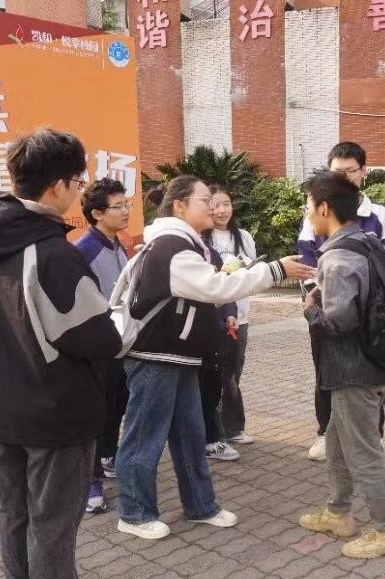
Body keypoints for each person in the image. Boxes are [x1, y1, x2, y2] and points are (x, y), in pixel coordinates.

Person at [0, 127, 121, 579]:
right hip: (53, 408)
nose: (78, 190)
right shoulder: (53, 254)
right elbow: (97, 338)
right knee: (53, 514)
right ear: (57, 186)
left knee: (14, 509)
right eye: (77, 181)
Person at [114, 175, 313, 540]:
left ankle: (201, 506)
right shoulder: (172, 248)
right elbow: (218, 288)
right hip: (156, 357)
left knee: (190, 436)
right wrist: (275, 270)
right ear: (180, 206)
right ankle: (135, 513)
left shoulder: (182, 244)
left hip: (179, 355)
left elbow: (210, 289)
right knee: (144, 437)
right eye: (205, 200)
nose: (213, 206)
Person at [297, 172, 385, 559]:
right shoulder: (369, 242)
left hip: (353, 370)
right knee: (337, 441)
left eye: (308, 207)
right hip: (376, 362)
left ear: (325, 208)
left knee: (363, 451)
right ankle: (338, 512)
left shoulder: (338, 257)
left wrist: (311, 309)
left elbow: (339, 322)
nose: (307, 214)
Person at [297, 142, 385, 462]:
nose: (343, 177)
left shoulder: (379, 216)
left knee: (367, 375)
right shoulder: (315, 214)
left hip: (369, 315)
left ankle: (372, 436)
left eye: (349, 171)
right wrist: (320, 297)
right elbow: (306, 261)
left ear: (363, 172)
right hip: (326, 308)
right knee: (326, 372)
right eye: (336, 172)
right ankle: (327, 433)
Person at [74, 177, 132, 513]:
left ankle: (108, 457)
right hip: (98, 346)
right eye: (118, 206)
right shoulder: (84, 250)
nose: (125, 211)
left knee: (116, 406)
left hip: (120, 343)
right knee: (96, 413)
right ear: (97, 213)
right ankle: (90, 481)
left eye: (126, 204)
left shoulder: (117, 245)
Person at [203, 185, 257, 446]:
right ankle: (213, 430)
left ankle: (233, 427)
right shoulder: (202, 239)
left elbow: (253, 272)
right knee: (215, 374)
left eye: (226, 204)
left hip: (240, 316)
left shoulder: (243, 237)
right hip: (213, 316)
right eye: (215, 205)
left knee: (233, 374)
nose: (222, 210)